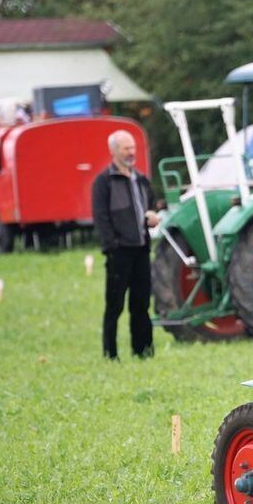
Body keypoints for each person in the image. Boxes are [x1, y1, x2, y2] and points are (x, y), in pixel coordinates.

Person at [92, 130, 159, 359]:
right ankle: (110, 353)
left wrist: (153, 215)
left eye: (133, 148)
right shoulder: (104, 182)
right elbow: (101, 218)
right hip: (119, 253)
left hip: (141, 250)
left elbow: (151, 205)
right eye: (126, 148)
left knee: (141, 304)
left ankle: (143, 350)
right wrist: (112, 246)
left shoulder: (141, 179)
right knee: (115, 306)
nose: (131, 152)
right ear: (114, 151)